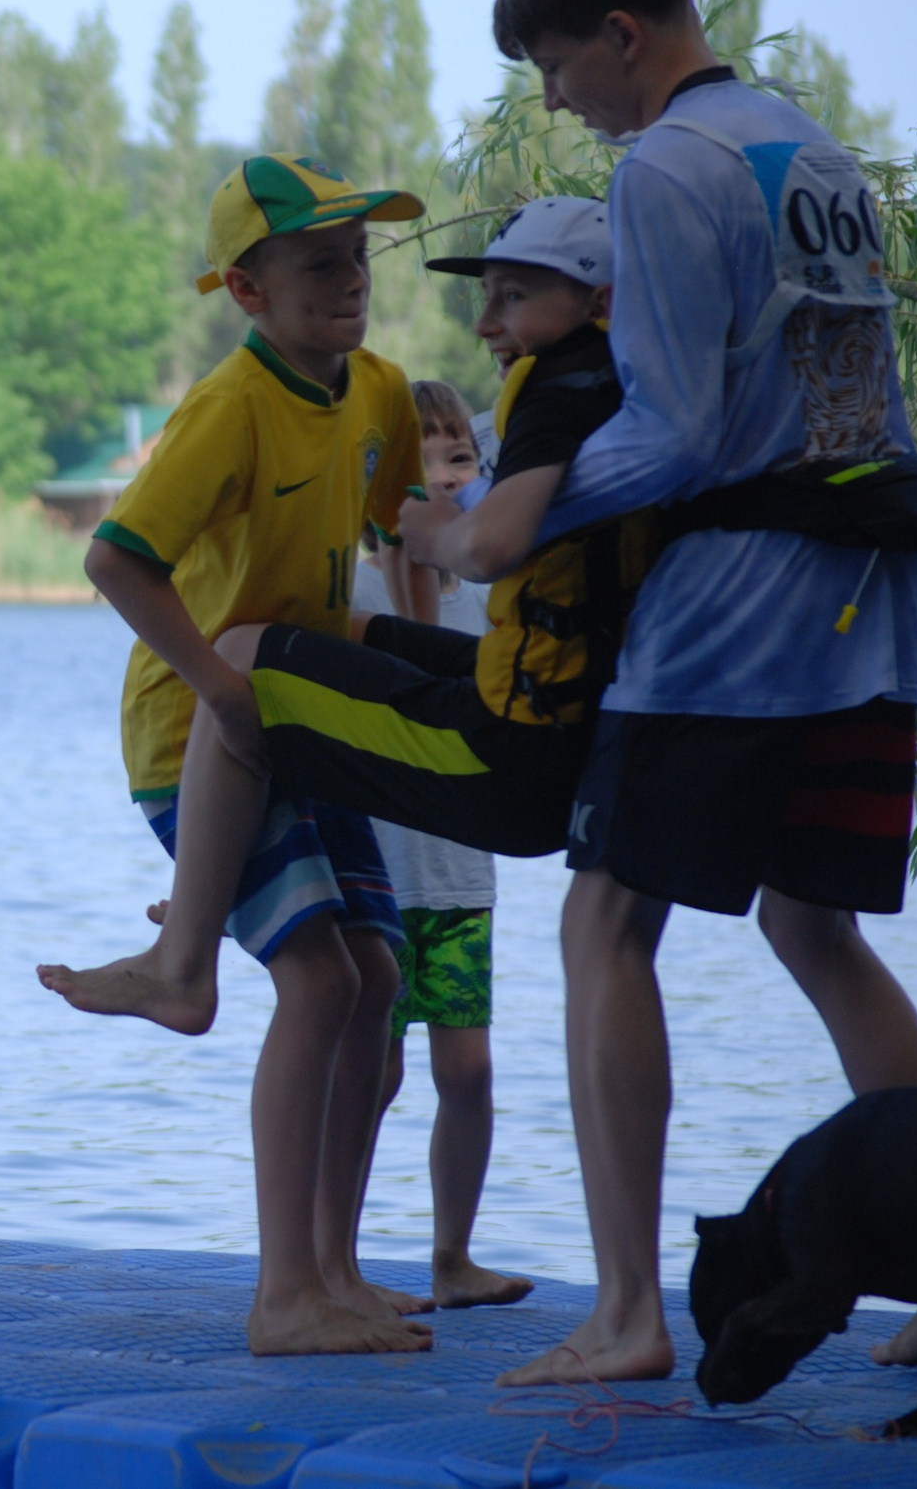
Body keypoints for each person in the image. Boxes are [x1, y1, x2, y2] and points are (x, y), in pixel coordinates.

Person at [405, 0, 917, 1387]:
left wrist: (506, 519)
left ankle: (631, 1310)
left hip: (739, 608)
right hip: (869, 592)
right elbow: (837, 397)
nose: (564, 106)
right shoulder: (810, 150)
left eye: (561, 70)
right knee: (810, 922)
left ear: (623, 33)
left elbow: (681, 433)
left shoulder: (666, 169)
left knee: (604, 918)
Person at [39, 154, 435, 1355]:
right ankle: (281, 1296)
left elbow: (395, 529)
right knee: (318, 982)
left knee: (378, 978)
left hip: (308, 722)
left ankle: (335, 1270)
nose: (348, 282)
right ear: (248, 291)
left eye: (357, 259)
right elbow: (114, 560)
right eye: (317, 263)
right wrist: (214, 681)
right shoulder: (227, 405)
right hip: (198, 731)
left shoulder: (379, 392)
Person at [350, 380, 535, 1313]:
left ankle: (451, 1257)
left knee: (467, 1071)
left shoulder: (495, 592)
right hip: (373, 882)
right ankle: (329, 1260)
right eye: (423, 456)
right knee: (369, 1074)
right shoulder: (352, 582)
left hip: (461, 881)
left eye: (459, 455)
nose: (445, 471)